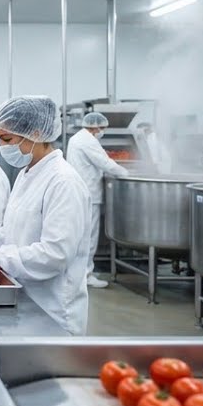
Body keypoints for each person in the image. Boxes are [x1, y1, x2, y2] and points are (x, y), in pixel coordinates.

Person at [0, 96, 92, 335]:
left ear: (36, 134)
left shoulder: (63, 182)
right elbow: (10, 228)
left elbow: (55, 254)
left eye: (7, 139)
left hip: (52, 310)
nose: (0, 146)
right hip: (23, 295)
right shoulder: (27, 173)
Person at [66, 112, 130, 289]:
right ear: (94, 127)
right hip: (89, 194)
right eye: (102, 128)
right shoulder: (87, 141)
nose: (102, 131)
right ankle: (86, 274)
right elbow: (105, 162)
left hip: (81, 192)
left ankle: (80, 272)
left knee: (81, 235)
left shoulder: (77, 138)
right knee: (89, 236)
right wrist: (126, 173)